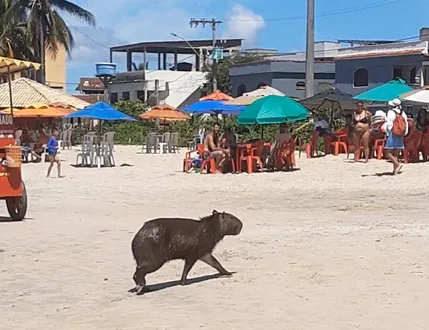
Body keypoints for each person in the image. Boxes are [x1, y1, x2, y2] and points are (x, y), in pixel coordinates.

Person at [384, 98, 408, 175]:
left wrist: (387, 133)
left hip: (393, 133)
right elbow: (406, 123)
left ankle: (397, 164)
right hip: (400, 133)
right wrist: (405, 133)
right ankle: (395, 171)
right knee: (396, 152)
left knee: (387, 152)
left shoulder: (391, 112)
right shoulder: (402, 112)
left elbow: (389, 124)